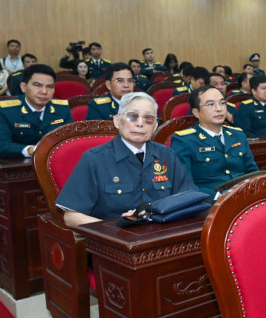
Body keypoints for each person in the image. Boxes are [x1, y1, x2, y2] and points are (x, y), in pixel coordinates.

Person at [56, 92, 196, 227]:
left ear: (155, 126)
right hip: (113, 237)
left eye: (148, 119)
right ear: (117, 121)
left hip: (161, 234)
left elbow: (188, 198)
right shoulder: (94, 159)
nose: (140, 123)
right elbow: (71, 217)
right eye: (132, 116)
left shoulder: (166, 155)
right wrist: (114, 229)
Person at [170, 86, 258, 197]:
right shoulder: (184, 140)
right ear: (196, 112)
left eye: (222, 103)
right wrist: (216, 196)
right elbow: (184, 185)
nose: (219, 109)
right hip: (210, 202)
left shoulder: (237, 134)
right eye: (211, 104)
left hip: (244, 196)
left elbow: (253, 172)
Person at [0, 64, 73, 158]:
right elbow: (1, 147)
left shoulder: (62, 108)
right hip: (18, 164)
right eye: (37, 85)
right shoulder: (5, 110)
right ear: (23, 87)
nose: (44, 91)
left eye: (50, 87)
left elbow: (70, 141)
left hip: (55, 161)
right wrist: (30, 150)